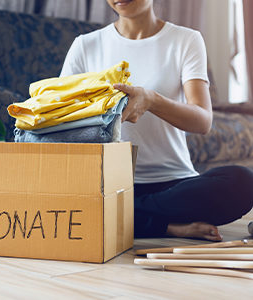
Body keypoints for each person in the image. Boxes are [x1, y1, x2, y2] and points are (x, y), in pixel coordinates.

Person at [60, 0, 253, 241]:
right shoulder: (85, 46)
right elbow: (61, 118)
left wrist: (151, 100)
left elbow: (203, 121)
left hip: (174, 185)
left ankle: (123, 215)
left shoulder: (186, 40)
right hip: (111, 182)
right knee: (70, 191)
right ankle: (166, 226)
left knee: (243, 182)